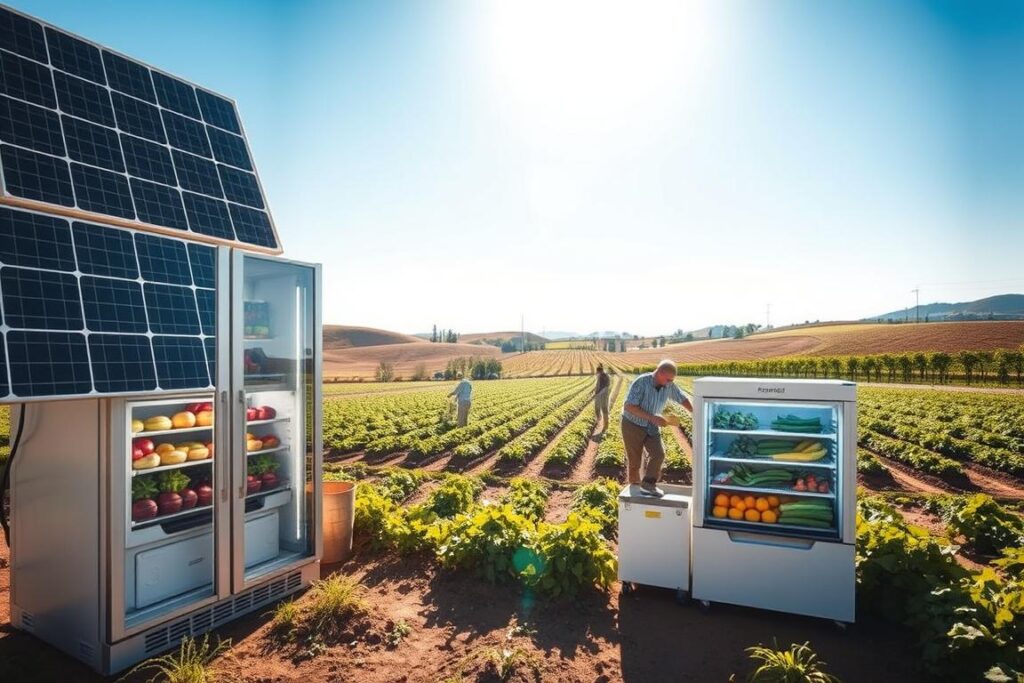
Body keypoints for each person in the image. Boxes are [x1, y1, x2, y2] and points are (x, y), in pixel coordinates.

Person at [621, 359, 693, 497]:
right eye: (668, 379)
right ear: (660, 373)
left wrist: (694, 411)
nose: (670, 383)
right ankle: (635, 491)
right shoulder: (641, 382)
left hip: (651, 426)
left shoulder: (669, 385)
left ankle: (648, 484)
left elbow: (682, 398)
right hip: (632, 424)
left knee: (659, 454)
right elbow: (629, 406)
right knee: (635, 461)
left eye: (671, 380)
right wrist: (652, 417)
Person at [594, 364, 610, 432]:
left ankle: (601, 422)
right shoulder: (606, 375)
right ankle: (605, 425)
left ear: (599, 371)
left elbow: (601, 387)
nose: (596, 373)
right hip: (605, 394)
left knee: (600, 408)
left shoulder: (601, 376)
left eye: (597, 372)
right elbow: (607, 385)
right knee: (604, 409)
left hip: (601, 394)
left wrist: (597, 393)